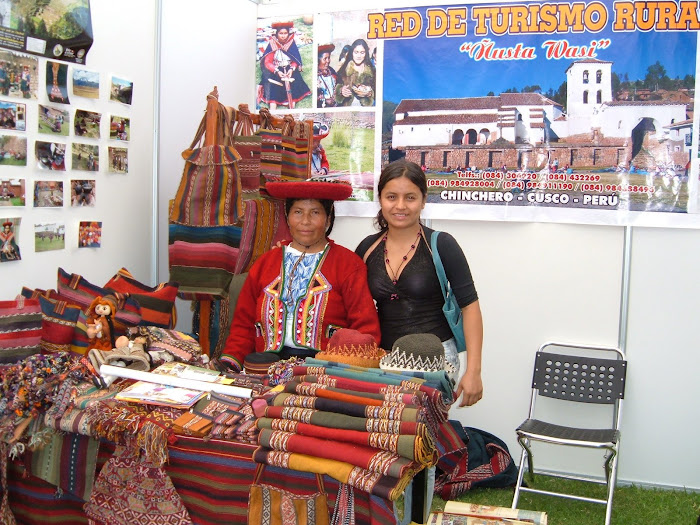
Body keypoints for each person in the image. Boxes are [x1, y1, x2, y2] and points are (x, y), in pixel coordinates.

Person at [355, 159, 483, 407]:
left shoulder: (442, 245)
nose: (400, 206)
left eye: (410, 198)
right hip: (383, 361)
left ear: (423, 201)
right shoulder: (366, 248)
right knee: (385, 436)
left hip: (436, 361)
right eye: (391, 197)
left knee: (418, 435)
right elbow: (343, 293)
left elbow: (470, 307)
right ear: (380, 199)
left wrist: (474, 371)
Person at [219, 179, 381, 371]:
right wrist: (231, 361)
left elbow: (365, 329)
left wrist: (349, 369)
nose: (305, 221)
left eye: (315, 212)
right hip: (264, 367)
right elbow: (243, 325)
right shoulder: (265, 263)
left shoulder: (348, 265)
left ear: (328, 218)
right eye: (298, 212)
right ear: (287, 217)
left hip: (322, 370)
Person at [257, 21, 311, 110]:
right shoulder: (272, 43)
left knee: (295, 82)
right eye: (281, 33)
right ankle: (273, 104)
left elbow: (295, 59)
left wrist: (292, 69)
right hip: (276, 69)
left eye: (285, 33)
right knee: (274, 86)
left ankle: (291, 103)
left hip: (289, 68)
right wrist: (277, 71)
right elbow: (267, 62)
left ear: (288, 33)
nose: (283, 35)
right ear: (277, 34)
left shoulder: (291, 43)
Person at [335, 39, 375, 107]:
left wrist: (370, 94)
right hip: (346, 112)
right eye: (356, 52)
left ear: (366, 54)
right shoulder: (344, 70)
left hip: (366, 113)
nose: (358, 56)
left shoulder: (372, 71)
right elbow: (336, 90)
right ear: (352, 53)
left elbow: (378, 92)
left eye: (362, 52)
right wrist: (341, 91)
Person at [316, 43, 338, 108]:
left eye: (329, 58)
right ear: (318, 60)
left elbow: (338, 84)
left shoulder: (331, 71)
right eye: (325, 59)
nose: (328, 61)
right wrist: (325, 100)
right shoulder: (315, 75)